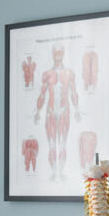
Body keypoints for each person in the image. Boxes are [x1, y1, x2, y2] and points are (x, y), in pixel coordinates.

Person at [34, 43, 80, 181]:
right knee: (52, 144)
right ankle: (54, 172)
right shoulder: (47, 74)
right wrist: (38, 111)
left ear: (64, 54)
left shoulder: (70, 73)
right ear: (52, 55)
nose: (58, 56)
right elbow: (42, 94)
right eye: (56, 53)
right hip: (51, 112)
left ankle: (61, 171)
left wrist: (77, 109)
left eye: (60, 53)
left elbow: (73, 93)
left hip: (65, 111)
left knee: (63, 143)